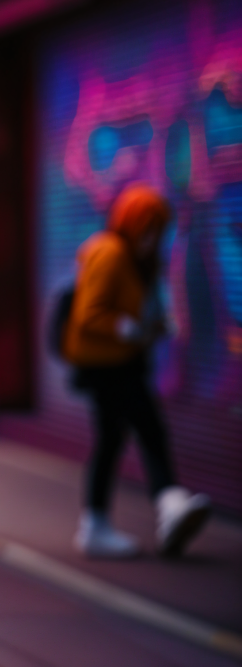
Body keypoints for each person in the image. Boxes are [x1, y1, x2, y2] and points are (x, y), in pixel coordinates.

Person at [64, 183, 212, 558]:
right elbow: (89, 314)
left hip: (125, 363)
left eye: (159, 230)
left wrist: (153, 326)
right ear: (132, 222)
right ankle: (167, 503)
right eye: (149, 228)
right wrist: (129, 327)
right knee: (147, 430)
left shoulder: (139, 260)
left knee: (115, 440)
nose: (155, 237)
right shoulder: (110, 252)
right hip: (107, 367)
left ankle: (100, 523)